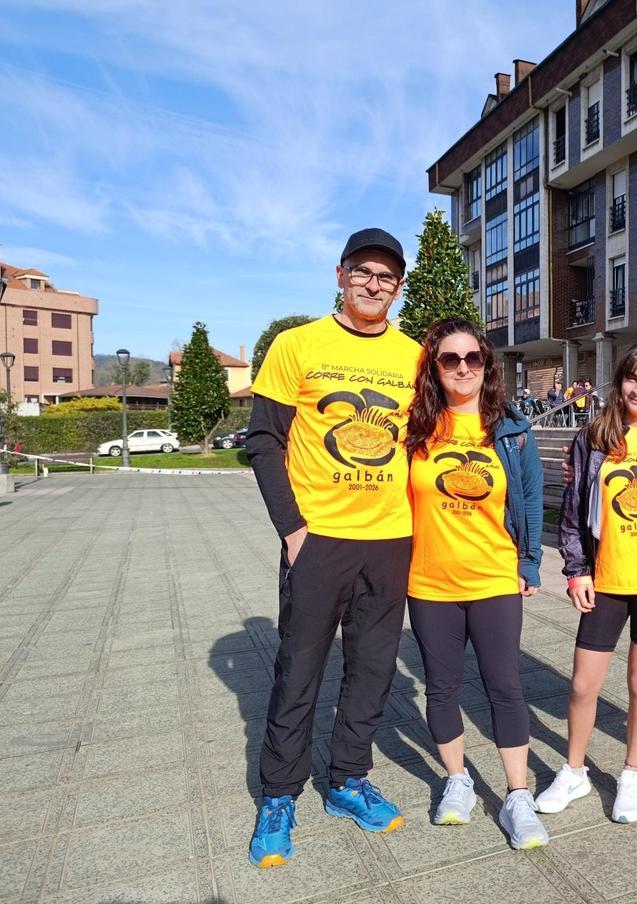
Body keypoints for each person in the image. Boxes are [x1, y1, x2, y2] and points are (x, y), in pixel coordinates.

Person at [245, 228, 419, 868]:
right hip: (318, 540)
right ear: (340, 275)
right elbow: (264, 441)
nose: (375, 285)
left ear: (398, 286)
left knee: (373, 671)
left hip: (389, 539)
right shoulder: (297, 346)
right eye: (364, 272)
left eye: (387, 277)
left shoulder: (416, 356)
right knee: (299, 670)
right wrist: (293, 531)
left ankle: (347, 780)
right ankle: (280, 794)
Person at [404, 317, 548, 849]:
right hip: (429, 583)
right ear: (434, 367)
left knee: (504, 686)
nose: (463, 367)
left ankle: (517, 796)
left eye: (473, 358)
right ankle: (458, 780)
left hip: (493, 579)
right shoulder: (416, 429)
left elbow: (530, 499)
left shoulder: (511, 429)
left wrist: (528, 563)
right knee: (441, 687)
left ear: (486, 365)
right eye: (450, 358)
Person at [538, 343, 637, 824]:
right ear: (620, 381)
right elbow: (574, 509)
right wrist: (576, 569)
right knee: (583, 685)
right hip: (606, 577)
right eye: (632, 379)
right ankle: (574, 770)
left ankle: (631, 774)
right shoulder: (595, 435)